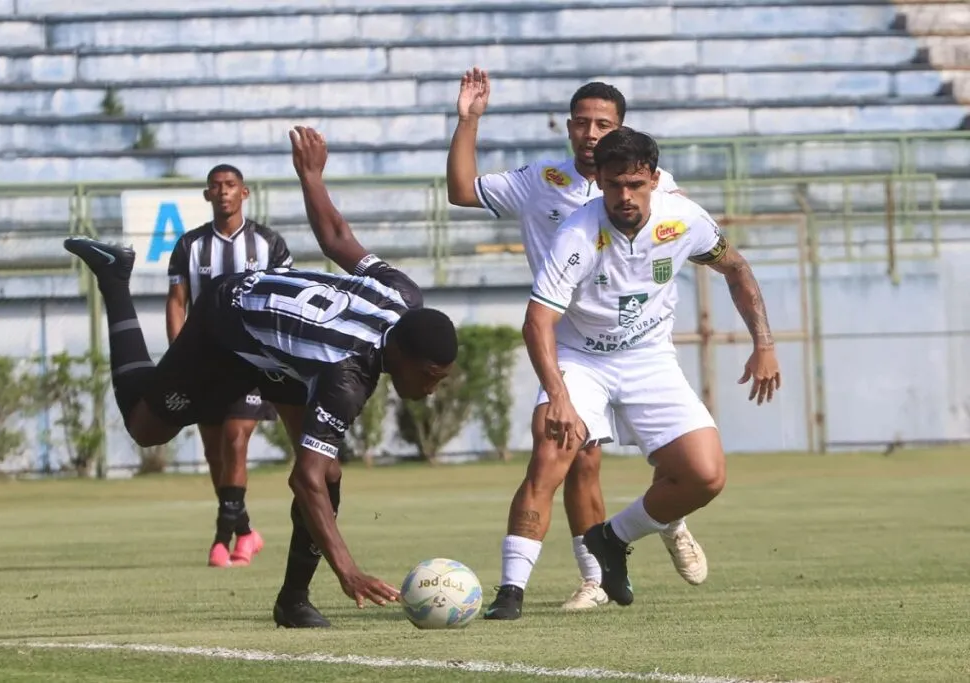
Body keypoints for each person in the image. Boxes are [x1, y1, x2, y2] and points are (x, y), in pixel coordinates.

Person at [63, 125, 458, 628]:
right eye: (429, 376)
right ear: (401, 353)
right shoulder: (347, 377)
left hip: (286, 352)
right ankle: (115, 280)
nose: (433, 386)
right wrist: (348, 571)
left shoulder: (404, 295)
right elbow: (303, 478)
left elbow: (337, 238)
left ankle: (292, 601)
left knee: (328, 473)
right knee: (145, 429)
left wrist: (311, 177)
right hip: (226, 327)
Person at [483, 126, 781, 620]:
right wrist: (557, 394)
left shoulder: (682, 218)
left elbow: (737, 268)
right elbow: (538, 320)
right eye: (615, 184)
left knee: (705, 476)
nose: (625, 195)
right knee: (551, 451)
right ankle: (510, 593)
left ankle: (612, 537)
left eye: (636, 185)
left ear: (653, 180)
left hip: (648, 358)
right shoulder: (576, 233)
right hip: (581, 359)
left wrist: (764, 344)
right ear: (599, 180)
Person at [446, 67, 703, 612]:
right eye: (582, 123)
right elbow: (462, 190)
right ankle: (591, 577)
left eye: (602, 123)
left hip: (639, 347)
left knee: (676, 462)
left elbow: (692, 241)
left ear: (621, 129)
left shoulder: (656, 183)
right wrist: (468, 120)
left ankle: (668, 519)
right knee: (571, 454)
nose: (591, 133)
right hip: (571, 351)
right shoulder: (541, 180)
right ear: (568, 127)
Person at [166, 163, 293, 568]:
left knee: (236, 438)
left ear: (245, 192)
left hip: (253, 362)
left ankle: (222, 538)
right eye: (216, 187)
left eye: (230, 185)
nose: (223, 192)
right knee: (215, 453)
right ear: (207, 195)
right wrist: (178, 357)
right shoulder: (190, 246)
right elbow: (176, 303)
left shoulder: (269, 244)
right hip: (205, 363)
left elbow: (284, 300)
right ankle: (245, 532)